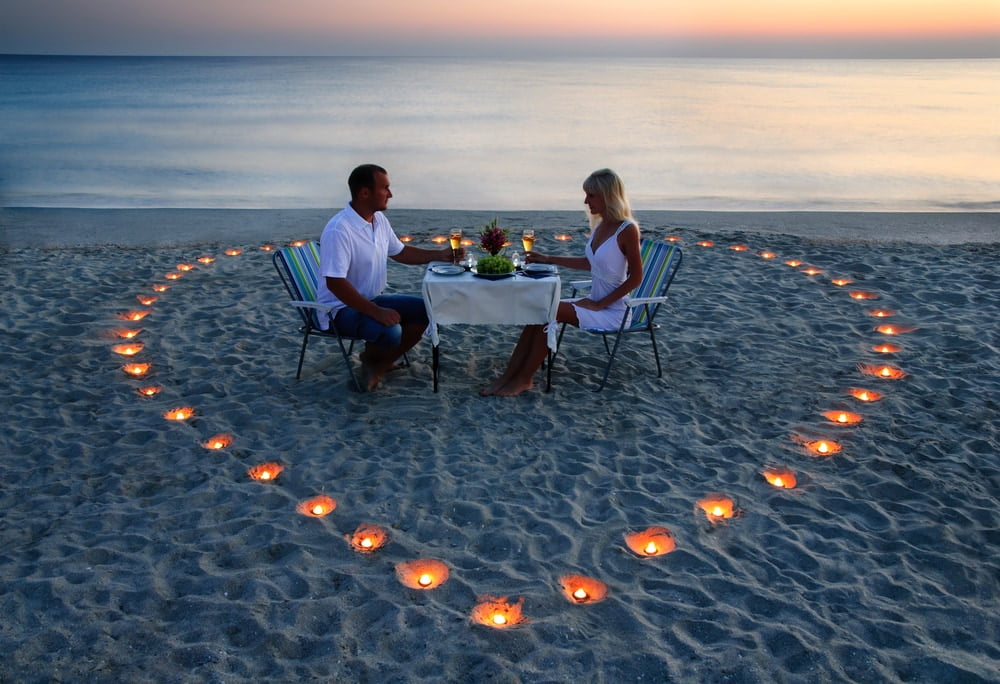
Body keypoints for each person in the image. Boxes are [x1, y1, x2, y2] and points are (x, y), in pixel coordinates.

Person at [481, 168, 643, 397]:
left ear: (609, 195)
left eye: (591, 195)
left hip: (614, 311)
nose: (586, 201)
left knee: (550, 309)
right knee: (538, 311)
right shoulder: (600, 226)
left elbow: (636, 278)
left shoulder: (627, 229)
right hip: (594, 302)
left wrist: (600, 304)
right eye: (586, 195)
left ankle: (524, 379)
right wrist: (548, 258)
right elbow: (590, 264)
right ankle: (508, 376)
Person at [318, 163, 460, 391]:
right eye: (385, 188)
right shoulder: (340, 230)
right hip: (339, 309)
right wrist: (377, 312)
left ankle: (376, 364)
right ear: (365, 192)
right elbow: (335, 283)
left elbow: (400, 252)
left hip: (371, 298)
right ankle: (376, 364)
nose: (390, 194)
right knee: (390, 331)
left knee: (428, 311)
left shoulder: (378, 221)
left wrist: (441, 255)